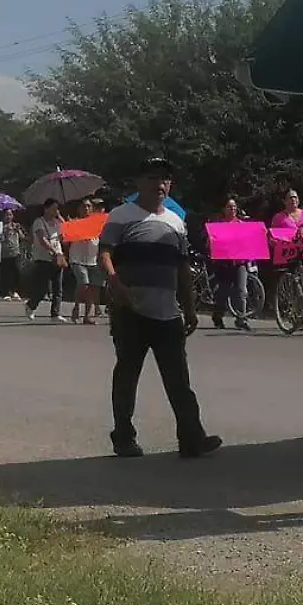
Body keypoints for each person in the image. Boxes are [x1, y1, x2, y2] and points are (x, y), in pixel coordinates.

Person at [100, 158, 221, 459]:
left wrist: (190, 308)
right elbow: (105, 253)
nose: (160, 184)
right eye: (153, 178)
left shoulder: (175, 221)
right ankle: (123, 436)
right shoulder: (121, 216)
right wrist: (114, 281)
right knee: (128, 375)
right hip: (131, 310)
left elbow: (181, 268)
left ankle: (192, 438)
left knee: (179, 380)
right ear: (139, 182)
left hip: (168, 313)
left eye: (166, 179)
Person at [209, 196, 253, 332]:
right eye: (229, 207)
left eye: (234, 207)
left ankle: (241, 319)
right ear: (224, 209)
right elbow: (212, 243)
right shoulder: (219, 226)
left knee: (241, 290)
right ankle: (218, 316)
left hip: (240, 262)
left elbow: (249, 241)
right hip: (224, 263)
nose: (232, 209)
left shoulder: (241, 225)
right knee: (223, 291)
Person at [27, 200, 67, 321]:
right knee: (42, 288)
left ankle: (55, 313)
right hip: (43, 258)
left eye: (57, 209)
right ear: (46, 208)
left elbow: (63, 236)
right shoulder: (39, 222)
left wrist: (62, 220)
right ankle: (31, 305)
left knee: (58, 287)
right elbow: (42, 239)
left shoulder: (57, 222)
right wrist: (53, 252)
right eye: (54, 208)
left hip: (57, 257)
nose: (56, 211)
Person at [67, 199, 103, 325]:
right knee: (83, 283)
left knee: (92, 288)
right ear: (79, 209)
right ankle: (76, 307)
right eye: (83, 206)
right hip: (77, 259)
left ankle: (87, 316)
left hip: (92, 259)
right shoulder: (74, 222)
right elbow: (68, 238)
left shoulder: (98, 223)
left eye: (88, 206)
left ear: (92, 209)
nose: (86, 208)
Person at [0, 216, 25, 301]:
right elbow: (0, 239)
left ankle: (15, 291)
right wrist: (5, 232)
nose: (8, 217)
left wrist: (18, 230)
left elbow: (23, 237)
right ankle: (6, 293)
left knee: (17, 272)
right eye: (6, 214)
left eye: (10, 214)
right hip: (4, 253)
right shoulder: (1, 227)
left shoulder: (16, 225)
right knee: (6, 274)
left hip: (15, 252)